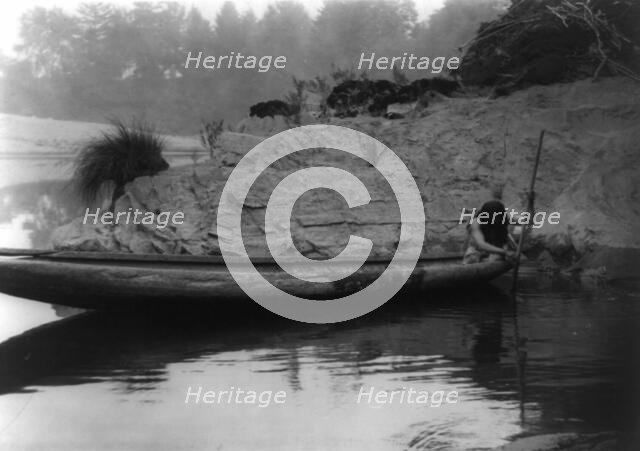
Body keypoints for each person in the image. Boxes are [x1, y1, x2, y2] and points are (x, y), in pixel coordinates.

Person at [463, 200, 516, 264]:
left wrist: (531, 203)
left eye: (498, 216)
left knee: (497, 259)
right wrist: (505, 252)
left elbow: (527, 221)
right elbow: (481, 244)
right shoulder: (476, 222)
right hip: (477, 251)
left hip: (495, 250)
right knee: (472, 259)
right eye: (494, 216)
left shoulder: (503, 218)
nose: (496, 219)